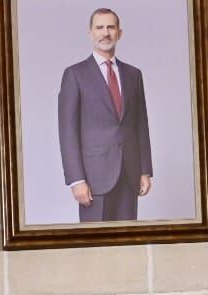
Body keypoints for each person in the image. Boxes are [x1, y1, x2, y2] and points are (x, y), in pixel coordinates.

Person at [57, 7, 153, 222]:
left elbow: (140, 125)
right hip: (93, 178)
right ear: (90, 33)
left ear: (119, 32)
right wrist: (76, 179)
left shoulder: (133, 75)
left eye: (110, 27)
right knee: (96, 247)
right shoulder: (75, 75)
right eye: (99, 27)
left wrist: (145, 170)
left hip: (129, 173)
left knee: (127, 242)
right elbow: (67, 131)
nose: (105, 33)